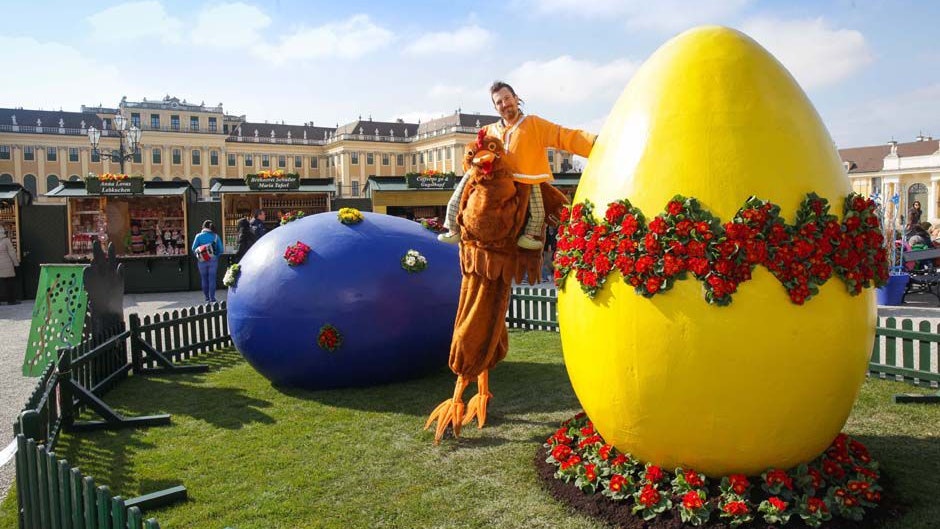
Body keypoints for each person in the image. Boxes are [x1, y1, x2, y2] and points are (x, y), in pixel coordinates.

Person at [440, 81, 597, 250]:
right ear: (495, 107)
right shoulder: (487, 130)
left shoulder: (534, 124)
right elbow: (472, 154)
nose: (504, 103)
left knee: (541, 210)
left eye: (507, 98)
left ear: (516, 98)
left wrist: (594, 143)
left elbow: (563, 136)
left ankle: (531, 235)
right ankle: (453, 227)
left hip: (527, 181)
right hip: (493, 183)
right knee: (461, 193)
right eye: (499, 102)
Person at [192, 220, 224, 303]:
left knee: (204, 279)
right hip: (213, 260)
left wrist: (200, 252)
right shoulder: (215, 236)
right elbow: (221, 249)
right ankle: (212, 298)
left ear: (203, 226)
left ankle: (206, 298)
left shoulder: (198, 236)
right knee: (212, 279)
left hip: (202, 260)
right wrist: (215, 255)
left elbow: (193, 248)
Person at [0, 225, 19, 304]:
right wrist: (16, 263)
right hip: (6, 264)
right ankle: (11, 300)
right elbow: (12, 253)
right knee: (9, 283)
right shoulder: (6, 240)